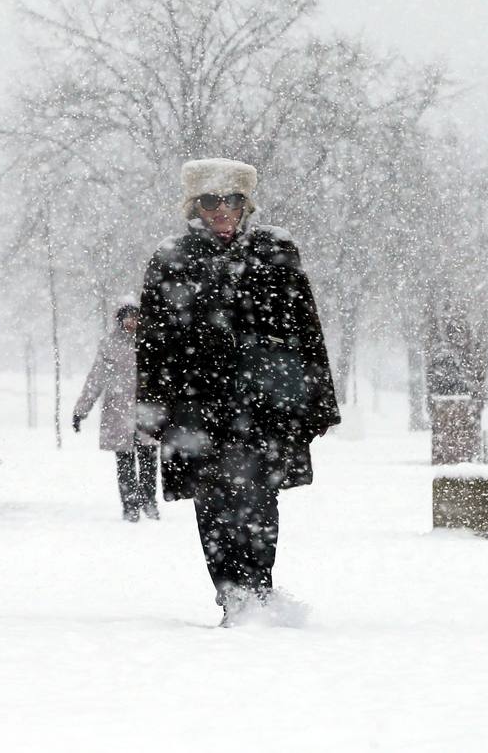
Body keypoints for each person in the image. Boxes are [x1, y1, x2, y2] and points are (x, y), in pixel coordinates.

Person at [136, 158, 339, 626]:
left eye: (231, 200)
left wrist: (319, 400)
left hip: (265, 404)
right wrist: (152, 407)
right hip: (196, 407)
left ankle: (260, 594)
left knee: (260, 499)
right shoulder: (172, 257)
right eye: (210, 201)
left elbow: (307, 329)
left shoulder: (277, 250)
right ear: (195, 206)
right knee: (212, 505)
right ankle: (232, 598)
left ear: (246, 203)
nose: (221, 210)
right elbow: (153, 344)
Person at [73, 302, 159, 522]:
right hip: (118, 412)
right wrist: (81, 410)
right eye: (127, 318)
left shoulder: (151, 343)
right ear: (120, 321)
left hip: (146, 411)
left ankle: (149, 502)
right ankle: (130, 506)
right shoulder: (110, 345)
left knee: (149, 459)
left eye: (135, 317)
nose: (132, 322)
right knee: (125, 462)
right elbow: (95, 379)